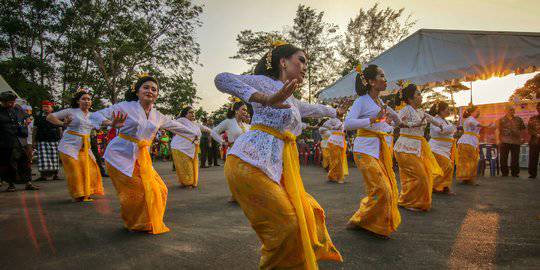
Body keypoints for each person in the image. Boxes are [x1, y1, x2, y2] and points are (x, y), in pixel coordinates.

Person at [214, 42, 342, 269]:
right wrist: (265, 98)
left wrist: (335, 111)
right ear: (283, 62)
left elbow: (313, 109)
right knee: (288, 225)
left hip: (273, 166)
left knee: (303, 217)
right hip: (248, 162)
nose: (305, 66)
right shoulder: (264, 82)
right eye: (301, 60)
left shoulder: (291, 98)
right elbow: (221, 78)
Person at [90, 73, 194, 234]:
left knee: (161, 189)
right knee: (138, 191)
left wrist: (196, 135)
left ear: (157, 95)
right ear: (137, 91)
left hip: (141, 158)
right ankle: (135, 223)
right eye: (146, 87)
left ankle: (148, 221)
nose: (150, 91)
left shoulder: (158, 115)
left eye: (154, 89)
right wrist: (111, 123)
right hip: (119, 156)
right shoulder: (124, 107)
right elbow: (95, 116)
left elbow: (176, 126)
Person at [343, 64, 401, 238]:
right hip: (364, 150)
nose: (385, 79)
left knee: (386, 188)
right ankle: (363, 220)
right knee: (382, 189)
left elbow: (394, 121)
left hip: (379, 149)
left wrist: (391, 118)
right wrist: (372, 119)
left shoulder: (380, 102)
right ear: (370, 81)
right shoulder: (361, 101)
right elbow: (348, 123)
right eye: (381, 76)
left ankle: (367, 221)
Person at [46, 90, 104, 202]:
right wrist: (63, 124)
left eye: (88, 99)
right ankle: (78, 195)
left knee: (90, 169)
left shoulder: (93, 115)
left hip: (84, 147)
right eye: (84, 99)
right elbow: (50, 117)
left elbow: (105, 121)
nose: (86, 101)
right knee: (75, 170)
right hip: (69, 146)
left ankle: (87, 191)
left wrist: (114, 123)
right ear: (78, 101)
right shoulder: (70, 111)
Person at [394, 83, 443, 212]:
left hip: (418, 146)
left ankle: (413, 201)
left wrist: (441, 125)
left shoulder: (420, 112)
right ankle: (410, 202)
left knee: (425, 174)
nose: (421, 96)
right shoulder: (405, 110)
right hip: (405, 147)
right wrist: (414, 124)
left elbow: (431, 119)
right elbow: (397, 123)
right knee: (420, 175)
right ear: (410, 99)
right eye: (418, 94)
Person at [170, 106, 223, 188]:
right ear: (185, 114)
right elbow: (171, 125)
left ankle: (189, 182)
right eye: (190, 112)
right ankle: (187, 183)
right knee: (185, 167)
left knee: (191, 166)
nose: (193, 114)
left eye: (193, 112)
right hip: (180, 148)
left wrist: (220, 138)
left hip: (191, 149)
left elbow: (208, 130)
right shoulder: (181, 120)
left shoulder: (195, 124)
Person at [0, 91, 39, 191]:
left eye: (12, 102)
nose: (11, 104)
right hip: (5, 141)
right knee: (8, 163)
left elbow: (27, 116)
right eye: (9, 102)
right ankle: (11, 184)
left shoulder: (17, 107)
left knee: (24, 161)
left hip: (19, 139)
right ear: (3, 102)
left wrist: (28, 119)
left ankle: (28, 182)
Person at [428, 101, 458, 195]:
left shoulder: (447, 121)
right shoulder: (435, 120)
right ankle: (433, 185)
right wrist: (452, 127)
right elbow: (440, 130)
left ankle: (444, 187)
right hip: (436, 148)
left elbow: (451, 130)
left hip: (445, 149)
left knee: (447, 167)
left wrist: (453, 127)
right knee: (447, 167)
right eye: (447, 109)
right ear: (441, 111)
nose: (449, 111)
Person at [456, 106, 491, 184]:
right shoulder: (471, 119)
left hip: (467, 142)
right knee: (471, 161)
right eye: (477, 111)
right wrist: (486, 126)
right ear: (472, 112)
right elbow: (473, 123)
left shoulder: (470, 119)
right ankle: (469, 179)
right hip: (468, 142)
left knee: (466, 161)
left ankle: (466, 178)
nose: (479, 112)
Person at [34, 100, 62, 181]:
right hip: (42, 139)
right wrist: (34, 140)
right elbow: (35, 129)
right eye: (44, 107)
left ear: (51, 108)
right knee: (43, 158)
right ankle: (43, 175)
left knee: (55, 157)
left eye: (47, 107)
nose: (45, 108)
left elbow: (60, 127)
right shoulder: (39, 116)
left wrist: (61, 138)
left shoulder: (56, 116)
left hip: (54, 138)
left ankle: (55, 175)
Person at [496, 105, 525, 177]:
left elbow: (523, 129)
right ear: (506, 111)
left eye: (513, 110)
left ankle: (515, 173)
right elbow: (497, 130)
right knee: (503, 158)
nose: (513, 111)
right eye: (511, 110)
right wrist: (497, 140)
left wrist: (522, 138)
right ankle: (504, 173)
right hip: (504, 141)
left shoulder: (519, 119)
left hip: (516, 141)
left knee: (515, 158)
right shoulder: (501, 120)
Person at [320, 117, 348, 183]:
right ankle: (333, 176)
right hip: (331, 142)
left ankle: (338, 176)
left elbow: (343, 129)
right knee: (333, 160)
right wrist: (333, 128)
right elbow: (323, 128)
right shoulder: (327, 124)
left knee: (339, 160)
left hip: (339, 142)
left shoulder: (342, 123)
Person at [527, 102, 540, 179]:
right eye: (538, 107)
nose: (539, 109)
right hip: (534, 141)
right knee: (533, 158)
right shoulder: (532, 118)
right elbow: (529, 129)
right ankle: (532, 174)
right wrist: (536, 134)